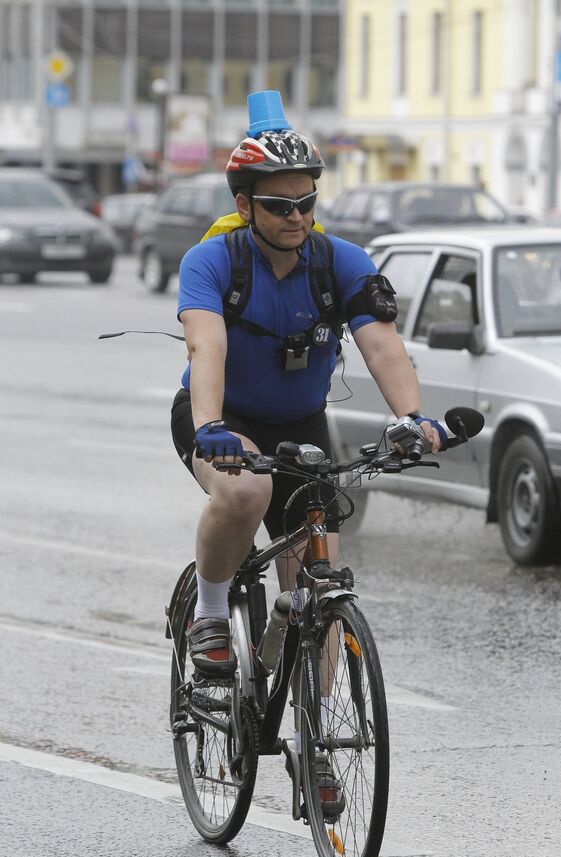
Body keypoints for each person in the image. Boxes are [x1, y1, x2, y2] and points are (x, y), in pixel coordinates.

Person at [170, 92, 447, 679]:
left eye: (307, 202)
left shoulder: (341, 260)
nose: (297, 217)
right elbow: (206, 345)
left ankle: (321, 753)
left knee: (316, 589)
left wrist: (412, 418)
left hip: (300, 423)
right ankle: (212, 616)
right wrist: (210, 427)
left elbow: (381, 344)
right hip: (221, 417)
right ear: (244, 206)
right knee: (245, 495)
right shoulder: (211, 261)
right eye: (279, 205)